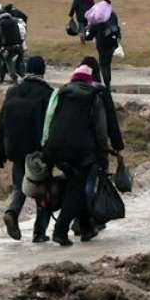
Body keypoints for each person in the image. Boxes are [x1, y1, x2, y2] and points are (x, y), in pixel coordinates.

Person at [42, 65, 110, 246]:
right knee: (77, 189)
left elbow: (49, 119)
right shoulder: (93, 97)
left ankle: (87, 227)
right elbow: (101, 131)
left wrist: (46, 147)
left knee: (74, 185)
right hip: (81, 151)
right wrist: (103, 155)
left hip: (57, 148)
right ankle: (61, 230)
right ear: (89, 82)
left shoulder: (61, 94)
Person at [0, 56, 54, 243]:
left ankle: (12, 212)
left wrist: (0, 150)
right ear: (42, 71)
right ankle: (39, 232)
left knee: (19, 185)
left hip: (14, 146)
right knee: (42, 189)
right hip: (38, 149)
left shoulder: (13, 91)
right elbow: (51, 123)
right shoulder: (47, 93)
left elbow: (1, 122)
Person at [85, 0, 121, 91]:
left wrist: (87, 35)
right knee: (107, 63)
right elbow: (117, 27)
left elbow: (90, 35)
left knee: (103, 63)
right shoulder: (113, 15)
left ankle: (106, 84)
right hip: (112, 43)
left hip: (101, 44)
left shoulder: (98, 18)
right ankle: (107, 83)